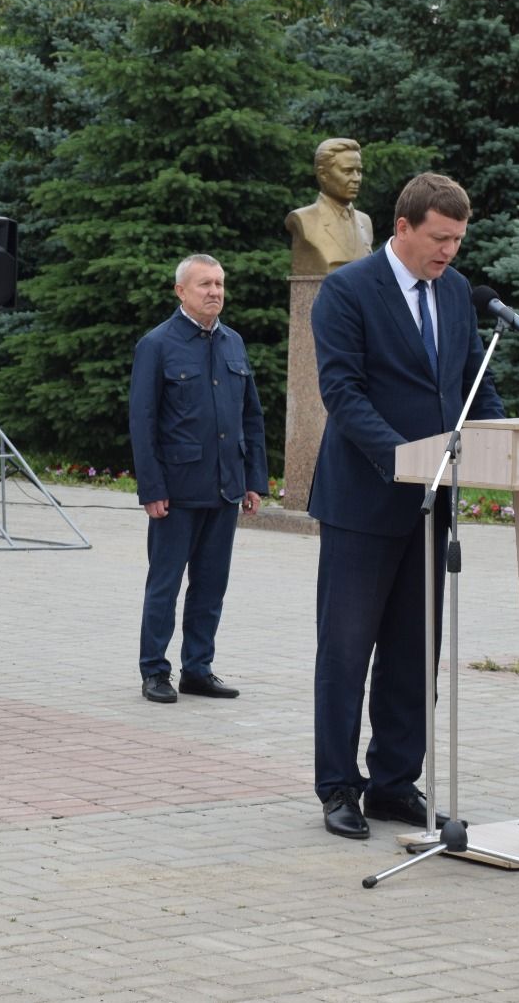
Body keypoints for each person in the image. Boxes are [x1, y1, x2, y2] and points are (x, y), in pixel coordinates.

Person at [309, 172, 506, 840]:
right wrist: (402, 460)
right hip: (363, 503)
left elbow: (475, 383)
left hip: (432, 507)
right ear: (403, 228)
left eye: (458, 240)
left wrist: (502, 446)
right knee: (346, 653)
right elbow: (342, 391)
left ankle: (394, 782)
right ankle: (339, 787)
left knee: (414, 655)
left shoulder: (455, 293)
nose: (449, 251)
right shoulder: (346, 290)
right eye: (439, 238)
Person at [128, 254, 268, 704]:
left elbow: (251, 417)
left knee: (211, 585)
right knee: (165, 584)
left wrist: (253, 480)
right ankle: (155, 671)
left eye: (219, 284)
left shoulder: (233, 342)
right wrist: (151, 488)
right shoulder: (157, 344)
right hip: (177, 490)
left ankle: (198, 669)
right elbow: (143, 422)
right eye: (205, 284)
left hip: (225, 487)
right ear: (181, 291)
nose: (215, 292)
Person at [284, 138, 377, 276]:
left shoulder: (365, 221)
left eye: (359, 171)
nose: (356, 178)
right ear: (323, 174)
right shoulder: (302, 219)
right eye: (347, 171)